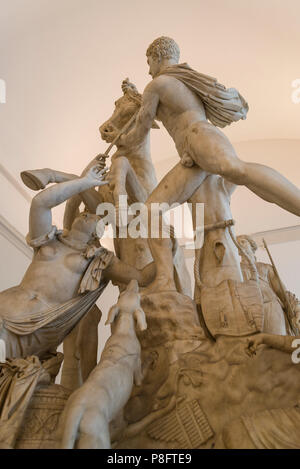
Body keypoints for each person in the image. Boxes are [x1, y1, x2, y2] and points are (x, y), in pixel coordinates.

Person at [120, 36, 300, 293]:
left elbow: (141, 128)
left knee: (237, 170)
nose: (148, 69)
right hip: (193, 154)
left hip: (199, 139)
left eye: (149, 62)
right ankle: (164, 279)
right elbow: (159, 111)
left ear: (158, 57)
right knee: (151, 211)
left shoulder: (157, 84)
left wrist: (122, 138)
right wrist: (135, 97)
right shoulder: (181, 82)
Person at [0, 165, 155, 360]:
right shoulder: (48, 239)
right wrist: (81, 181)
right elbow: (40, 203)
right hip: (4, 308)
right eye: (84, 211)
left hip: (35, 326)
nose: (85, 213)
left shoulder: (100, 260)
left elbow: (143, 276)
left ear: (98, 230)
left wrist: (167, 250)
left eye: (92, 215)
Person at [237, 235, 300, 335]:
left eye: (243, 242)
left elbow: (282, 292)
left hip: (271, 308)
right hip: (250, 313)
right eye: (237, 243)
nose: (240, 245)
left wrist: (297, 309)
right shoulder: (236, 271)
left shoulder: (265, 267)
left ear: (251, 246)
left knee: (278, 342)